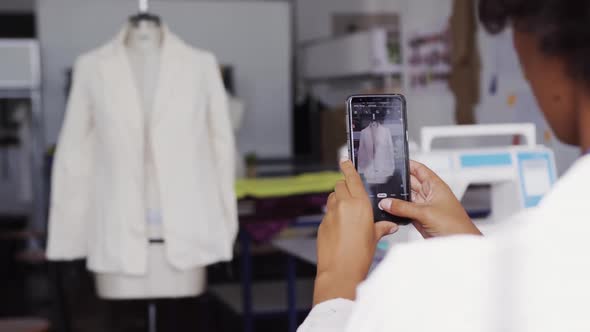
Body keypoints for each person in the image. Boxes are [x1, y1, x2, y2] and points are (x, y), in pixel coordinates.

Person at [299, 0, 590, 331]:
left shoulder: (414, 291)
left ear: (551, 59)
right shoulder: (556, 263)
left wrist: (334, 284)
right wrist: (469, 244)